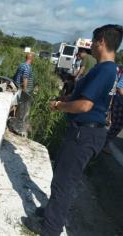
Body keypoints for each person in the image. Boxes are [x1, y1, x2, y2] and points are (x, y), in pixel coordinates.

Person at [22, 24, 123, 236]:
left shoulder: (104, 70)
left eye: (94, 41)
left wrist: (60, 106)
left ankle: (50, 229)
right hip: (86, 132)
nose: (92, 46)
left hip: (84, 134)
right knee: (62, 175)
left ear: (101, 41)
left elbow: (85, 105)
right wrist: (67, 99)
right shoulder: (108, 69)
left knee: (63, 182)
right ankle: (51, 212)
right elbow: (88, 97)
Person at [9, 53, 34, 136]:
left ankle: (13, 124)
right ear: (31, 58)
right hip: (23, 91)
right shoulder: (27, 67)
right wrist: (25, 91)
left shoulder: (21, 65)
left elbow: (15, 76)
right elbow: (25, 78)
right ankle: (17, 128)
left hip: (17, 88)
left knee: (17, 108)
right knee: (22, 111)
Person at [103, 65, 123, 153]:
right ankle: (104, 144)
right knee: (116, 126)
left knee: (117, 126)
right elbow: (119, 87)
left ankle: (104, 143)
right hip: (120, 102)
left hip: (118, 100)